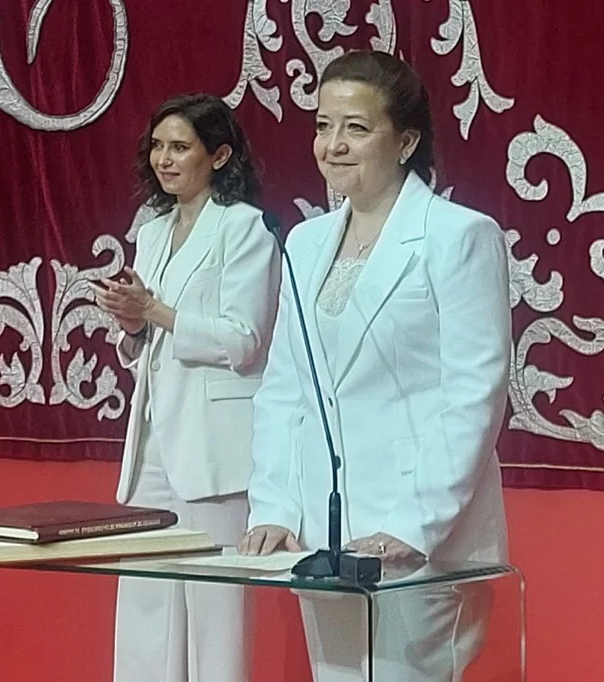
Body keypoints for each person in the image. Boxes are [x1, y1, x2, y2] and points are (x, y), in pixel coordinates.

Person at [238, 50, 512, 681]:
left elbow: (474, 395)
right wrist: (274, 507)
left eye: (356, 128)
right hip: (322, 532)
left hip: (420, 538)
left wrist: (415, 525)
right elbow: (285, 389)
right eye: (322, 125)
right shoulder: (305, 244)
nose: (333, 145)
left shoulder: (459, 236)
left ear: (406, 139)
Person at [94, 93, 280, 682]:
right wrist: (132, 321)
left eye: (181, 147)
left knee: (215, 605)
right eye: (157, 147)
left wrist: (158, 310)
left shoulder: (245, 229)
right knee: (146, 596)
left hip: (214, 439)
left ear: (219, 155)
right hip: (154, 433)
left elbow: (245, 339)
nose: (164, 160)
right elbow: (148, 338)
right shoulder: (151, 232)